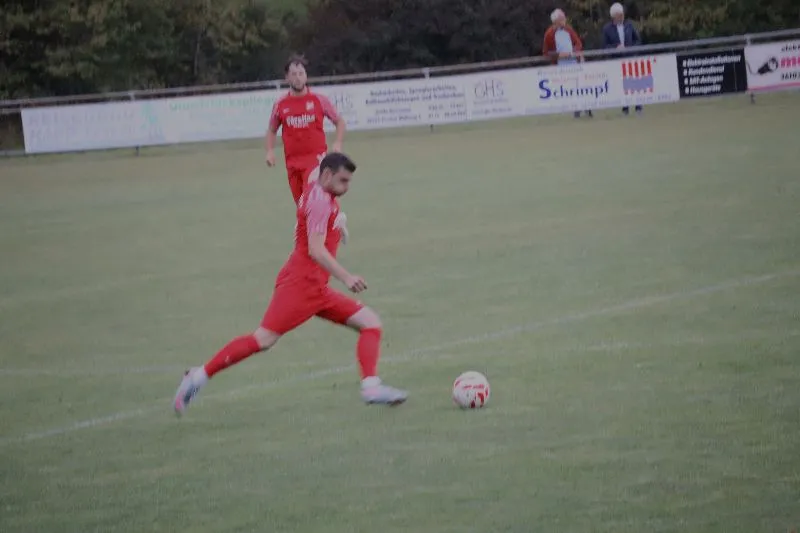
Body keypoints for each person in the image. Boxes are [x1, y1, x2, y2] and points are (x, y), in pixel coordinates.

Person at [173, 153, 408, 416]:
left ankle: (371, 387)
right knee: (263, 339)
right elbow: (316, 250)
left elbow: (313, 210)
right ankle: (198, 377)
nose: (347, 187)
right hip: (302, 285)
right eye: (343, 180)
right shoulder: (320, 201)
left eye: (349, 181)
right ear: (327, 175)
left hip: (316, 287)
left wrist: (337, 223)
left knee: (370, 323)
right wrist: (346, 277)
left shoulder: (317, 188)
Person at [265, 54, 347, 205]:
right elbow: (272, 130)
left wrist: (338, 143)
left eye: (301, 73)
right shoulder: (281, 104)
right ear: (287, 78)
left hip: (315, 161)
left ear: (306, 76)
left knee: (314, 201)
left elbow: (339, 122)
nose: (298, 78)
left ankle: (333, 214)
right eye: (293, 74)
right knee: (302, 207)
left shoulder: (319, 100)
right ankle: (334, 215)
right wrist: (270, 151)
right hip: (292, 163)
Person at [542, 9, 593, 118]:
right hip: (561, 65)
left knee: (581, 85)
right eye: (562, 18)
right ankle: (576, 109)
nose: (564, 19)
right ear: (556, 21)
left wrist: (575, 52)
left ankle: (587, 108)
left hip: (574, 62)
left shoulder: (568, 29)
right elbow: (546, 53)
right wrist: (559, 55)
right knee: (570, 88)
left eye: (564, 17)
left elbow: (578, 43)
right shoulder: (549, 34)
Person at [602, 3, 643, 115]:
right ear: (614, 16)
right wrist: (616, 48)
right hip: (617, 61)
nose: (622, 17)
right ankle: (625, 108)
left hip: (631, 59)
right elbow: (605, 46)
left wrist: (631, 49)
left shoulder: (629, 25)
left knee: (635, 83)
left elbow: (638, 41)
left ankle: (638, 107)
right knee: (622, 84)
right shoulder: (607, 29)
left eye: (622, 14)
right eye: (619, 15)